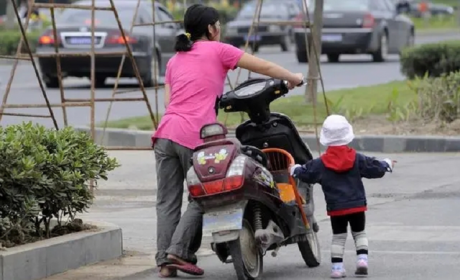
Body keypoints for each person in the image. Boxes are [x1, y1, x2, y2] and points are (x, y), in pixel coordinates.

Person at [151, 3, 304, 278]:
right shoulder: (218, 50)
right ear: (211, 29)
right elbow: (265, 65)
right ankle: (179, 252)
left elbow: (169, 101)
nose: (219, 28)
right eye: (217, 25)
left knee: (166, 201)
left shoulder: (175, 60)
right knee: (204, 195)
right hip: (193, 136)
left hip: (165, 134)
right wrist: (293, 78)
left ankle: (164, 263)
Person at [289, 114, 396, 279]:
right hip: (357, 205)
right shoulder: (357, 158)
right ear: (347, 135)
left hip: (336, 207)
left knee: (338, 237)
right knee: (359, 233)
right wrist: (386, 164)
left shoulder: (320, 163)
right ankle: (362, 261)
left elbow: (306, 173)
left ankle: (337, 269)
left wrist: (295, 169)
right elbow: (374, 168)